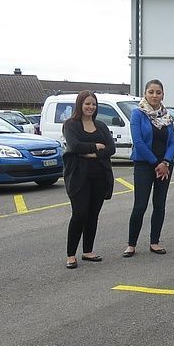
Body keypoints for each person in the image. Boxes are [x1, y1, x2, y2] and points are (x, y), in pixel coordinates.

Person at [62, 91, 115, 268]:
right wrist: (95, 147)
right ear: (80, 105)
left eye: (93, 104)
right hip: (78, 177)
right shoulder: (70, 125)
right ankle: (70, 254)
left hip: (100, 176)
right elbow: (74, 146)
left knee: (93, 215)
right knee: (80, 214)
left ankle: (88, 251)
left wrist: (90, 153)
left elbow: (111, 149)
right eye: (87, 104)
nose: (90, 107)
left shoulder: (101, 126)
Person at [125, 79, 174, 257]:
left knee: (159, 205)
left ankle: (155, 242)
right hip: (144, 165)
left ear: (163, 95)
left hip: (165, 165)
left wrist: (166, 162)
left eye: (158, 92)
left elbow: (172, 142)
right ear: (145, 93)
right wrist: (156, 164)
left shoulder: (167, 116)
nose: (155, 95)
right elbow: (138, 142)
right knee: (140, 205)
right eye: (151, 92)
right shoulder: (138, 114)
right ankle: (131, 244)